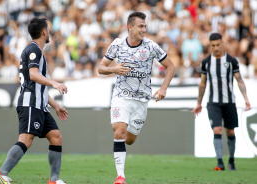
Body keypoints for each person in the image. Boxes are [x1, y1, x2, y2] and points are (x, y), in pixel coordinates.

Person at [98, 12, 175, 184]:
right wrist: (114, 69)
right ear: (130, 27)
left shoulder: (151, 46)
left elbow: (171, 66)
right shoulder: (117, 44)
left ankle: (121, 151)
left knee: (130, 140)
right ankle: (120, 177)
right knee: (119, 130)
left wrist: (163, 88)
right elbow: (101, 68)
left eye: (145, 26)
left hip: (141, 100)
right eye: (140, 26)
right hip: (121, 96)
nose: (144, 29)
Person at [0, 17, 68, 184]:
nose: (49, 32)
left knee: (56, 137)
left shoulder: (37, 51)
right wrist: (54, 82)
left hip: (40, 105)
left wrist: (55, 105)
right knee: (26, 140)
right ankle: (2, 172)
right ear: (44, 32)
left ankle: (54, 179)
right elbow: (33, 75)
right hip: (30, 104)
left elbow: (37, 84)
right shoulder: (34, 50)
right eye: (48, 29)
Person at [192, 33, 251, 171]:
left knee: (230, 131)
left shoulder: (232, 61)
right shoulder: (206, 62)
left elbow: (239, 80)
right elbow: (202, 83)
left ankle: (231, 161)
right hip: (213, 102)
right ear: (210, 46)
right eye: (213, 46)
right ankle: (220, 162)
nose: (216, 48)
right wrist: (199, 103)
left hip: (229, 102)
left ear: (222, 43)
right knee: (217, 129)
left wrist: (246, 99)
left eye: (218, 45)